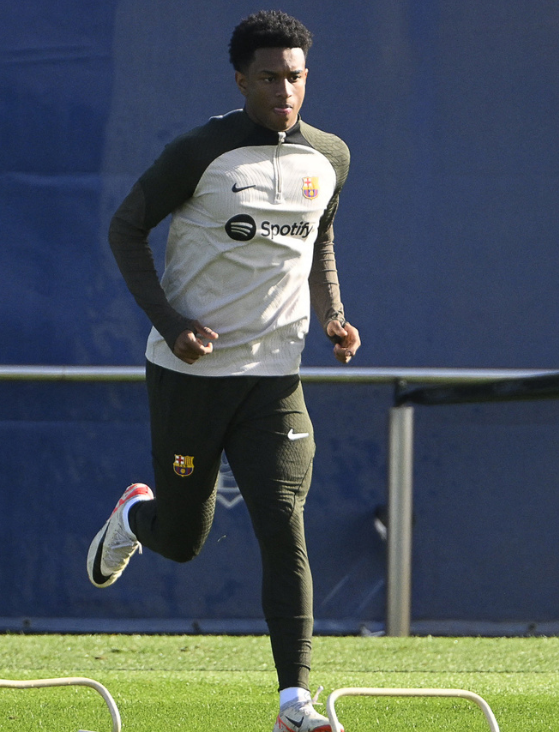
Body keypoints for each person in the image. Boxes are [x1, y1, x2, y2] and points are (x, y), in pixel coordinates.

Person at [88, 11, 358, 732]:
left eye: (295, 76)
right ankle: (134, 517)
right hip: (191, 379)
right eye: (269, 77)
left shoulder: (329, 155)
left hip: (276, 379)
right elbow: (125, 228)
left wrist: (333, 312)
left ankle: (295, 701)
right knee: (182, 538)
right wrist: (172, 324)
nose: (284, 89)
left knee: (283, 523)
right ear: (241, 80)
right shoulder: (200, 152)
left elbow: (320, 237)